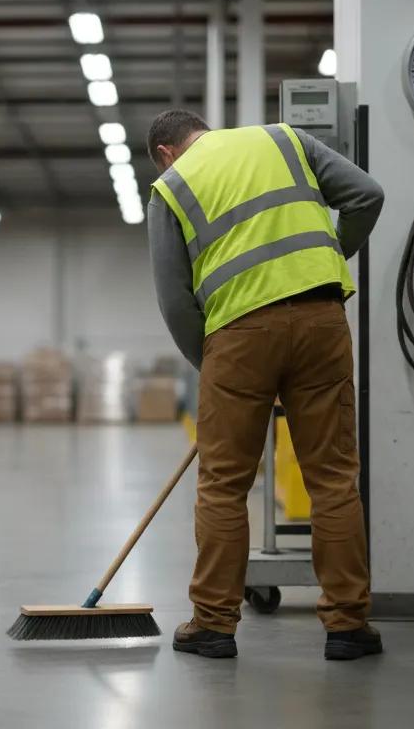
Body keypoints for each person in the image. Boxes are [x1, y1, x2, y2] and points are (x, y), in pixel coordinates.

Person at [145, 109, 385, 661]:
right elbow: (366, 195)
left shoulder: (171, 186)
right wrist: (326, 259)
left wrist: (211, 363)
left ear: (165, 152)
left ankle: (213, 625)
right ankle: (348, 625)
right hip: (322, 318)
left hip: (237, 335)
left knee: (224, 484)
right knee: (332, 478)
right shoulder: (285, 139)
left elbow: (174, 296)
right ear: (203, 129)